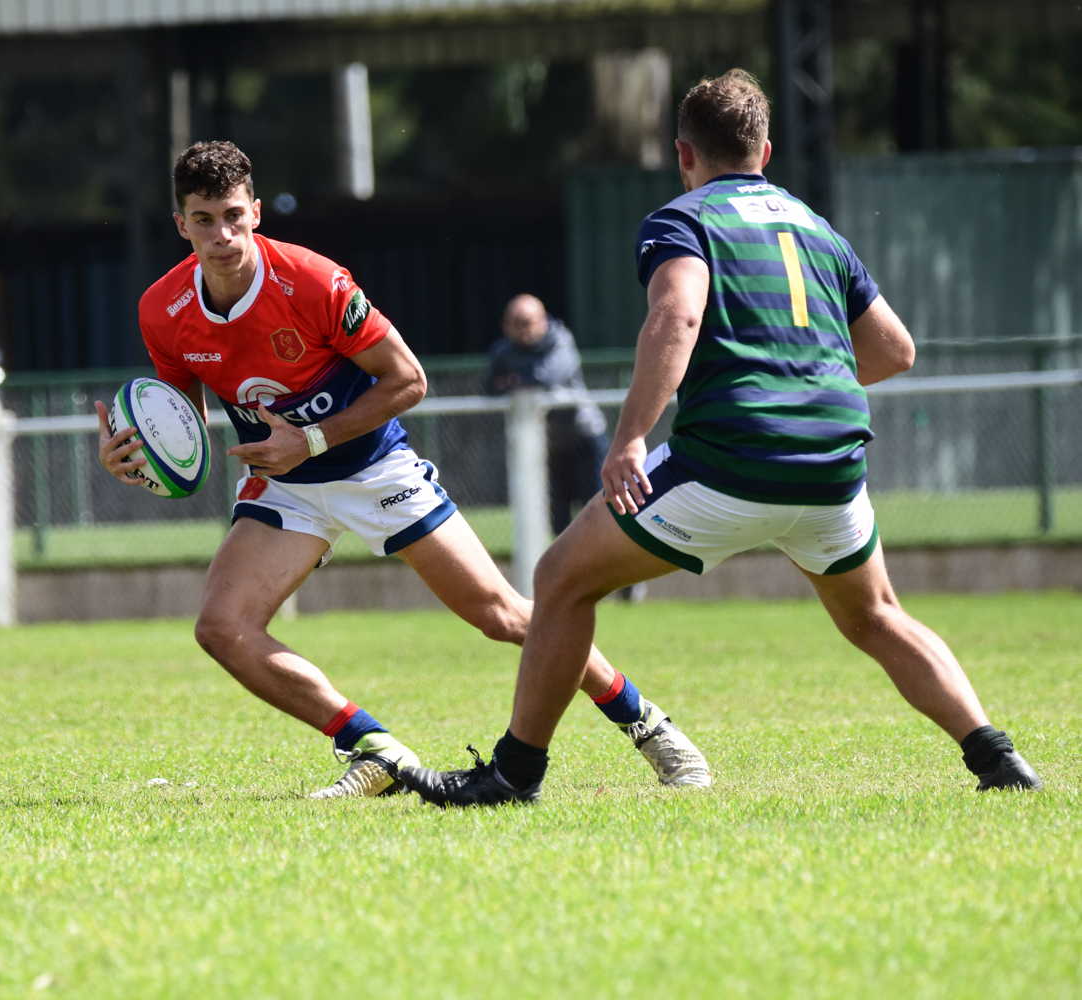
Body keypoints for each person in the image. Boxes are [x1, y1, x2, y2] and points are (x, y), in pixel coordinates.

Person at [400, 70, 1042, 806]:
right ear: (765, 151)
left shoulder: (683, 220)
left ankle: (514, 775)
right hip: (834, 470)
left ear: (684, 154)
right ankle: (997, 757)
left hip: (729, 462)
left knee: (562, 580)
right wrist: (800, 380)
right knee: (877, 615)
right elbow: (896, 350)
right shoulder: (817, 228)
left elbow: (677, 316)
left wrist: (630, 437)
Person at [96, 141, 710, 798]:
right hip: (286, 488)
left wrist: (310, 439)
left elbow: (408, 379)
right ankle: (377, 750)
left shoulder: (312, 282)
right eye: (203, 220)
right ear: (180, 224)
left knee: (501, 614)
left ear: (256, 213)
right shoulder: (162, 309)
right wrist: (135, 457)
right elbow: (181, 425)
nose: (222, 235)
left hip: (373, 468)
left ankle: (648, 726)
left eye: (232, 216)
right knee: (222, 628)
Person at [485, 295, 611, 539]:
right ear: (505, 326)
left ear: (543, 320)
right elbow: (490, 386)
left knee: (596, 509)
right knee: (557, 519)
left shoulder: (560, 340)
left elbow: (544, 378)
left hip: (583, 438)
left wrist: (512, 381)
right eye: (516, 323)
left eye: (528, 322)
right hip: (547, 444)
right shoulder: (503, 350)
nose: (523, 330)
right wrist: (522, 382)